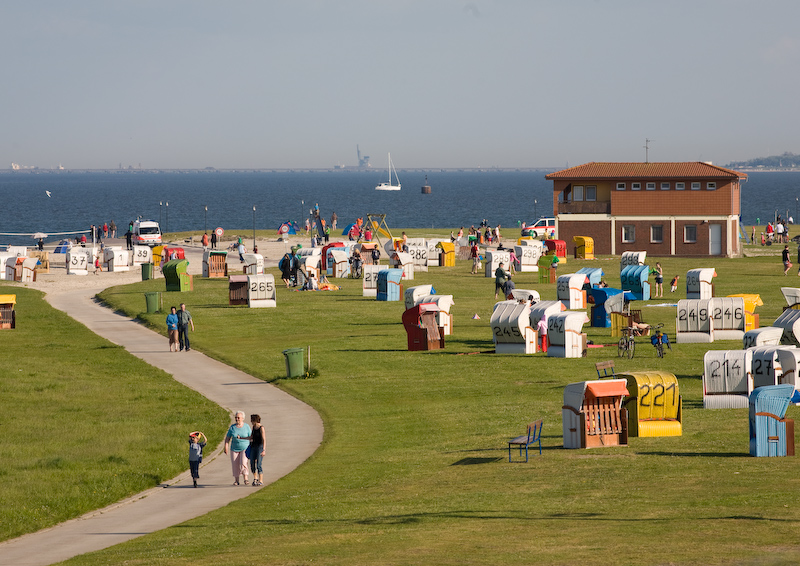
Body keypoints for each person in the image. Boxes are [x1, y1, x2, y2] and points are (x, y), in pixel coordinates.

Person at [224, 411, 251, 486]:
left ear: (243, 418)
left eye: (238, 418)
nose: (237, 419)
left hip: (245, 447)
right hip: (234, 449)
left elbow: (251, 437)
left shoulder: (246, 427)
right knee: (235, 464)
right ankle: (236, 480)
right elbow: (227, 438)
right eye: (236, 417)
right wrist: (226, 446)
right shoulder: (232, 427)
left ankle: (246, 478)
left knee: (243, 462)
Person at [242, 414, 266, 487]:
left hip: (259, 447)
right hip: (253, 446)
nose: (251, 421)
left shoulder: (261, 428)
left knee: (259, 463)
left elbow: (264, 439)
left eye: (252, 420)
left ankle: (261, 480)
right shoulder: (253, 427)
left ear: (255, 420)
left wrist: (264, 450)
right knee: (252, 463)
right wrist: (242, 438)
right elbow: (251, 437)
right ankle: (255, 478)